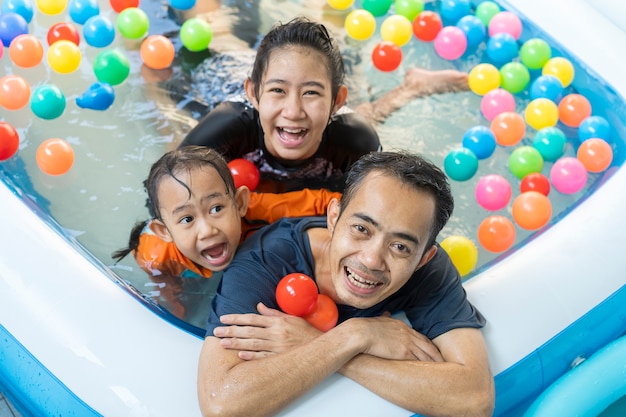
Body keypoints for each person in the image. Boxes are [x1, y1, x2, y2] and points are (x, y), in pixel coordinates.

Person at [198, 151, 495, 417]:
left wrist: (328, 347)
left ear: (423, 258)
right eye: (361, 229)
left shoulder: (430, 269)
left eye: (400, 247)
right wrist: (354, 335)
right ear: (333, 217)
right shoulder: (268, 257)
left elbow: (474, 399)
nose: (371, 260)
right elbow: (221, 403)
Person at [179, 17, 468, 192]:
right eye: (277, 91)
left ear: (337, 102)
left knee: (362, 120)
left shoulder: (355, 139)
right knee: (208, 40)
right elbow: (170, 189)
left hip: (295, 81)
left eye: (312, 94)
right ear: (253, 93)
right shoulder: (226, 128)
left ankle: (412, 87)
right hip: (223, 73)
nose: (293, 111)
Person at [112, 146, 340, 315]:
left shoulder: (257, 211)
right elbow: (166, 286)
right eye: (187, 219)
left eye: (216, 208)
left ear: (240, 203)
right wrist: (178, 307)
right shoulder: (155, 255)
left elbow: (321, 202)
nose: (207, 230)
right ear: (164, 231)